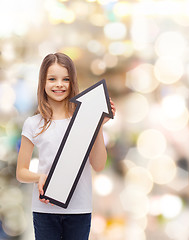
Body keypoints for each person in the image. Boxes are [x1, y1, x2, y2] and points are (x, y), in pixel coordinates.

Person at [16, 52, 116, 240]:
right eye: (52, 79)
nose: (59, 84)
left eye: (65, 79)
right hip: (44, 210)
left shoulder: (84, 120)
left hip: (79, 209)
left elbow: (99, 165)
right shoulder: (33, 123)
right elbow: (21, 172)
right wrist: (40, 177)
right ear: (43, 82)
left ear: (72, 82)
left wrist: (98, 125)